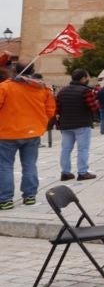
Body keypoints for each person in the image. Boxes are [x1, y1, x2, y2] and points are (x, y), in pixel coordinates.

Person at [0, 63, 58, 209]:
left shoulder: (5, 87)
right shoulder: (43, 88)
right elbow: (50, 110)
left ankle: (6, 199)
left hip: (7, 133)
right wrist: (40, 122)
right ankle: (30, 196)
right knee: (30, 164)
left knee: (5, 166)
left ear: (13, 71)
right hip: (33, 132)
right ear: (33, 71)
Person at [55, 69, 99, 182]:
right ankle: (82, 172)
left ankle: (65, 172)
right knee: (82, 149)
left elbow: (58, 108)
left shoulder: (62, 91)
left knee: (65, 149)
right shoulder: (86, 91)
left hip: (65, 124)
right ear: (83, 78)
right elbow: (93, 107)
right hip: (82, 123)